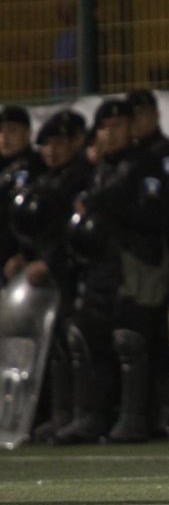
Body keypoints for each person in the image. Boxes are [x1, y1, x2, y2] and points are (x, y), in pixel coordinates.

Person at [61, 99, 169, 443]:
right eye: (105, 128)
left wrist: (101, 199)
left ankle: (135, 419)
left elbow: (150, 216)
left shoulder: (145, 163)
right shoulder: (94, 169)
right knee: (84, 337)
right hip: (98, 268)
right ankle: (89, 417)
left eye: (119, 125)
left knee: (130, 340)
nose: (112, 133)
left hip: (133, 267)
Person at [8, 110, 92, 440]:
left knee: (78, 343)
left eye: (57, 142)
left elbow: (68, 234)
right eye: (45, 144)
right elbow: (37, 230)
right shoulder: (47, 179)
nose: (50, 150)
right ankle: (60, 415)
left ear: (75, 142)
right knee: (54, 347)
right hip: (48, 277)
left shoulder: (81, 179)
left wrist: (49, 263)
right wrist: (23, 256)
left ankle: (83, 416)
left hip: (73, 274)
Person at [127, 89, 169, 436]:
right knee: (135, 334)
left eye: (142, 114)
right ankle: (142, 411)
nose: (138, 121)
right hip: (132, 258)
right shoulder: (129, 157)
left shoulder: (165, 152)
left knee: (156, 331)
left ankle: (166, 412)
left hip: (159, 256)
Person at [0, 105, 45, 277]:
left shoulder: (35, 167)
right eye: (1, 130)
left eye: (12, 130)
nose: (5, 137)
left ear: (27, 133)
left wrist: (26, 253)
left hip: (17, 264)